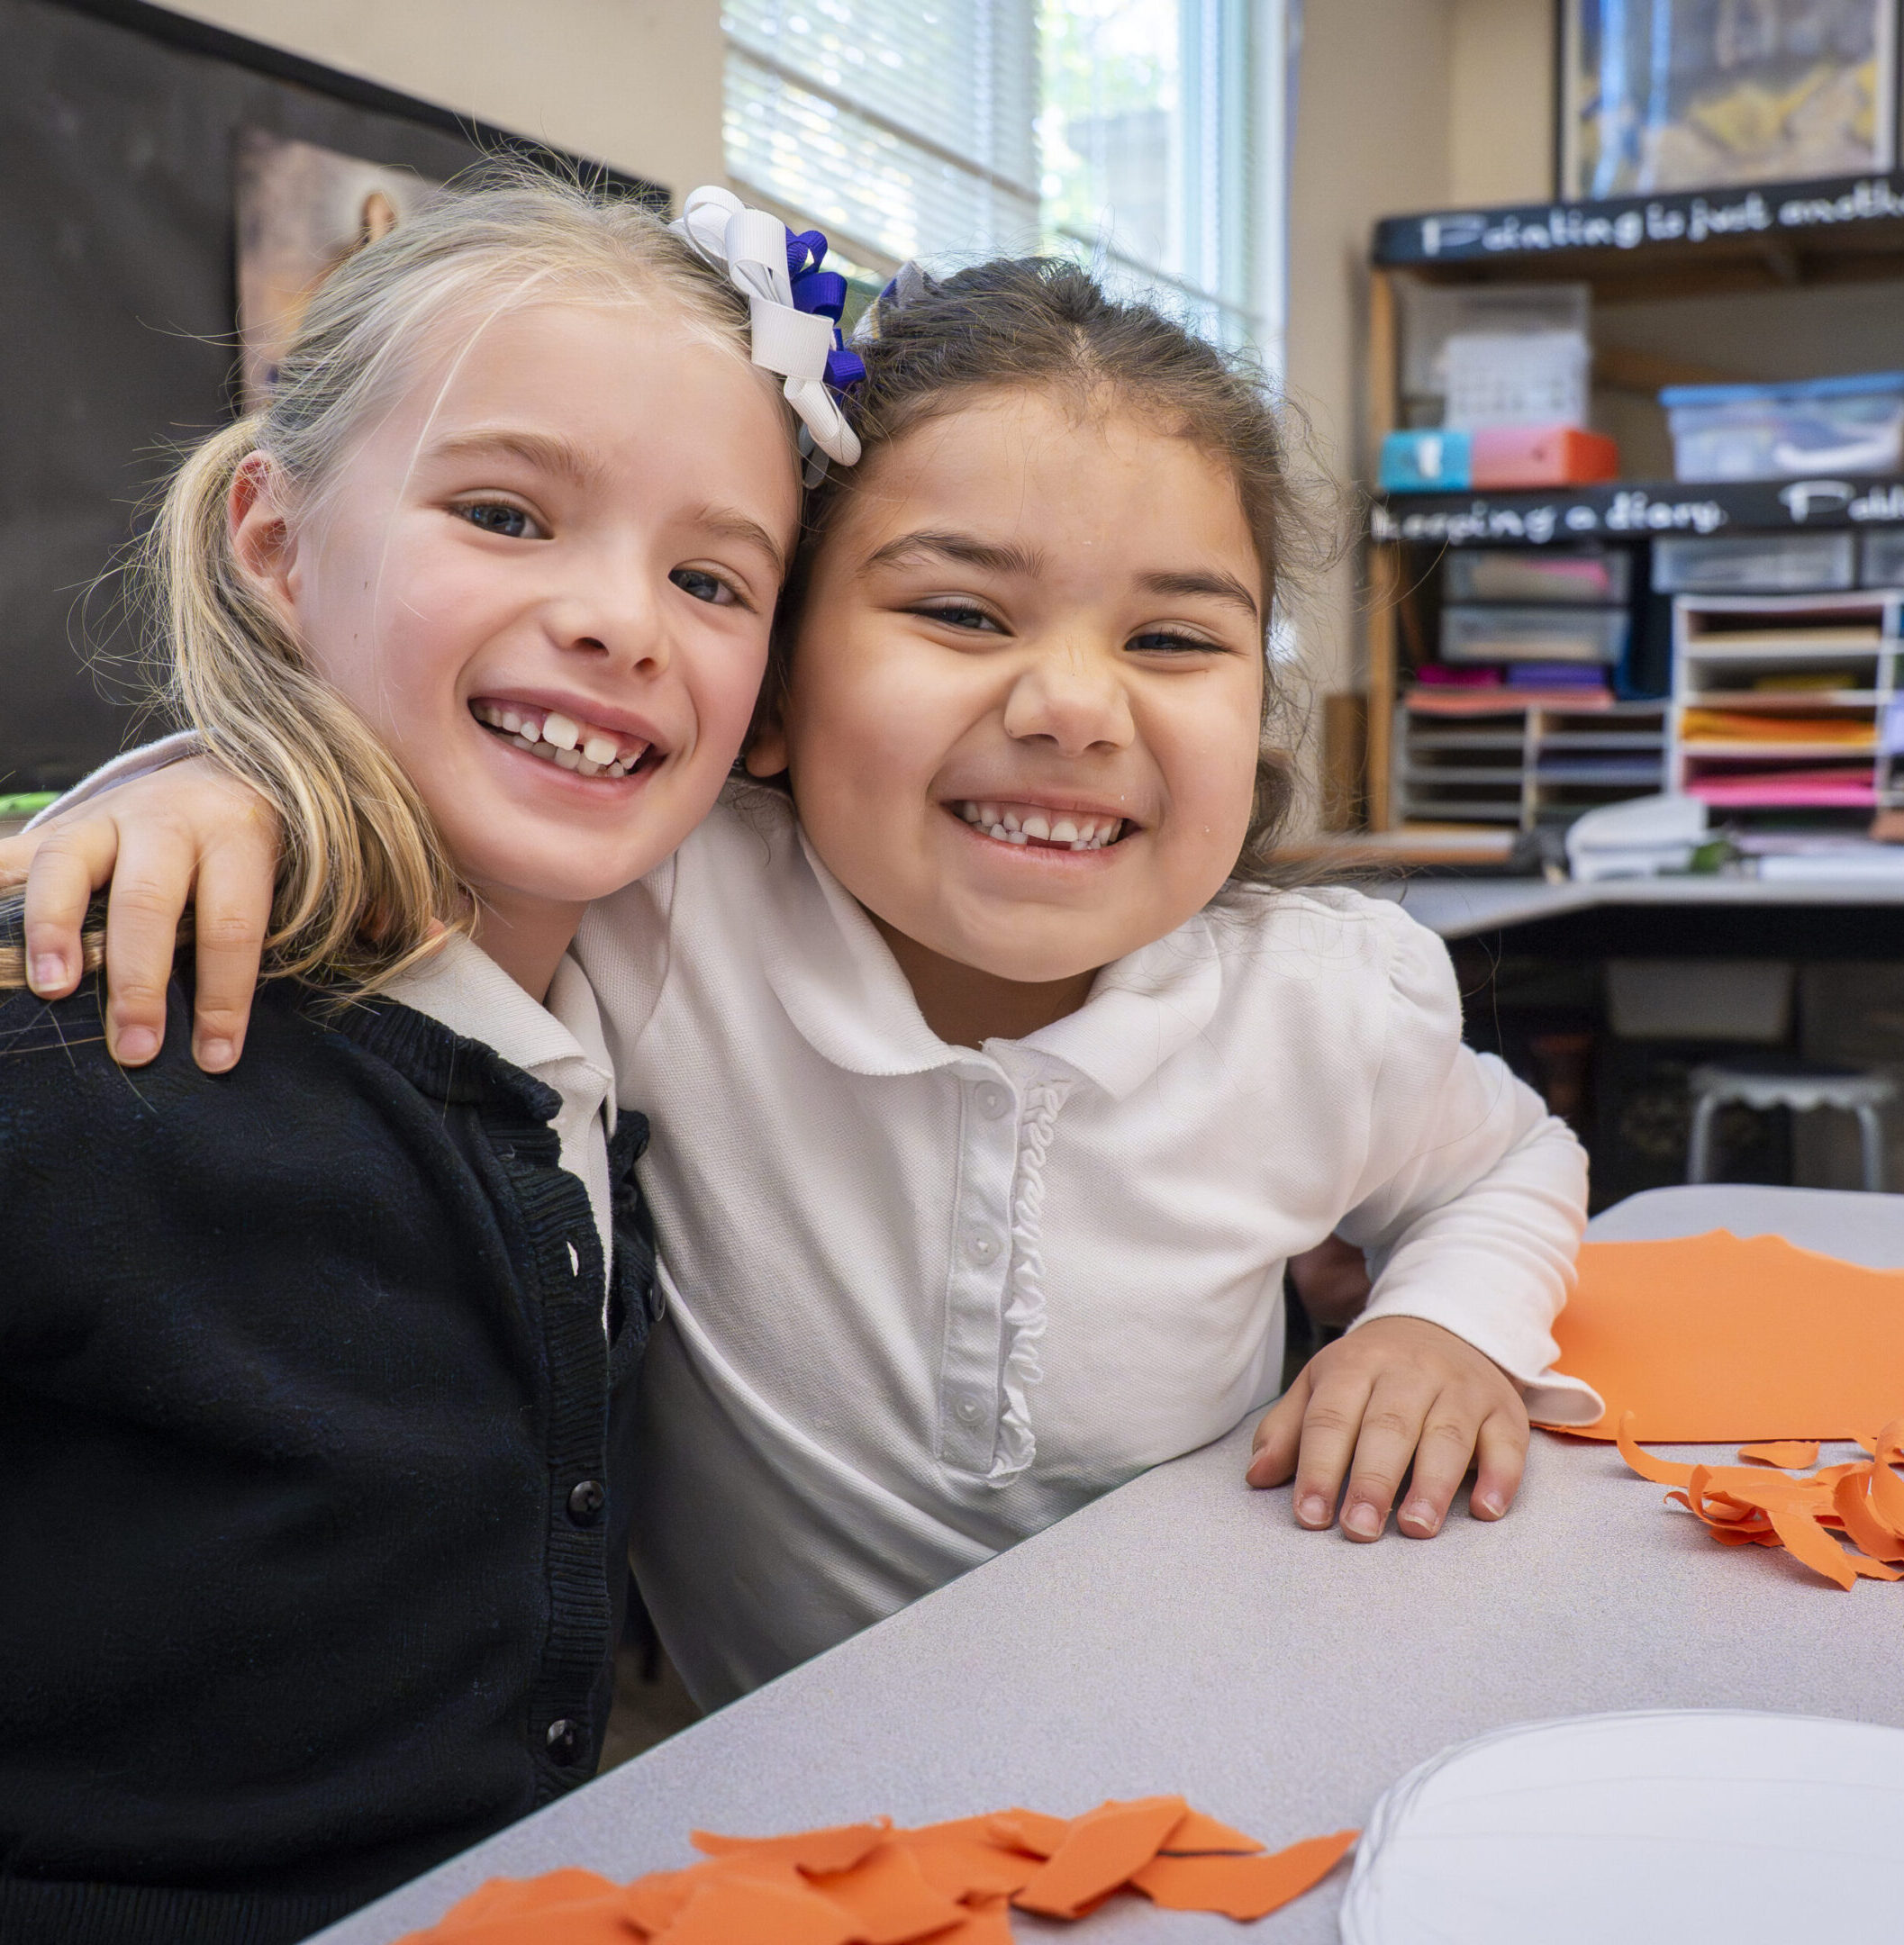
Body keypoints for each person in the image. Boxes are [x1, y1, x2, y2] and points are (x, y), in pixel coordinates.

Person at [5, 257, 1600, 1716]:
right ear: (770, 691)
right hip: (785, 1806)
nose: (1070, 706)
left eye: (1176, 640)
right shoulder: (661, 906)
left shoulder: (1324, 1003)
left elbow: (1514, 1162)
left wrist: (1445, 1329)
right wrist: (214, 783)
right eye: (961, 613)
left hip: (1234, 1713)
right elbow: (451, 771)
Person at [0, 164, 814, 1942]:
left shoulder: (613, 1027)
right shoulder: (82, 1018)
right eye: (509, 516)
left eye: (710, 576)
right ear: (279, 546)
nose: (622, 618)